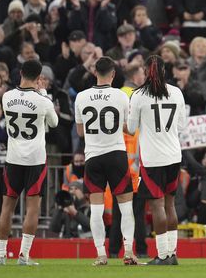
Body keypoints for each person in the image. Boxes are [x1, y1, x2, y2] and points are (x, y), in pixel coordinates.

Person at [74, 57, 137, 265]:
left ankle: (101, 254)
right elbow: (129, 127)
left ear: (95, 73)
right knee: (126, 207)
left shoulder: (81, 97)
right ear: (113, 75)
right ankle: (128, 252)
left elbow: (80, 132)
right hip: (116, 155)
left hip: (93, 157)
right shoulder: (120, 96)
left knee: (97, 209)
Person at [0, 59, 59, 266]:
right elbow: (54, 123)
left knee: (7, 207)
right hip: (35, 159)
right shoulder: (42, 100)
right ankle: (23, 255)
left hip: (13, 158)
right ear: (39, 77)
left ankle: (0, 256)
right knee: (33, 208)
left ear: (21, 72)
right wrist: (43, 94)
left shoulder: (6, 97)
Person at [127, 55, 187, 265]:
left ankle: (162, 255)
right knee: (170, 205)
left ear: (146, 71)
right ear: (164, 71)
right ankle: (172, 254)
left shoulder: (139, 95)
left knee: (157, 206)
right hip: (173, 155)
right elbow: (181, 127)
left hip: (152, 159)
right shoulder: (176, 93)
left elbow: (131, 128)